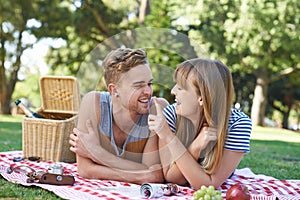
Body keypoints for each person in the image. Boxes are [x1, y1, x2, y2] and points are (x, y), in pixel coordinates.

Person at [148, 58, 252, 189]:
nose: (173, 91)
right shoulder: (171, 115)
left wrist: (169, 137)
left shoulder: (238, 124)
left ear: (202, 97)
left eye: (180, 87)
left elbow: (209, 185)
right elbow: (171, 178)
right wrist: (194, 147)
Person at [69, 48, 169, 184]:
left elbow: (154, 175)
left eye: (149, 83)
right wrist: (139, 176)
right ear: (114, 89)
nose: (148, 91)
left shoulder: (157, 109)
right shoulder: (93, 103)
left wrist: (97, 153)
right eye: (138, 85)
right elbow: (85, 169)